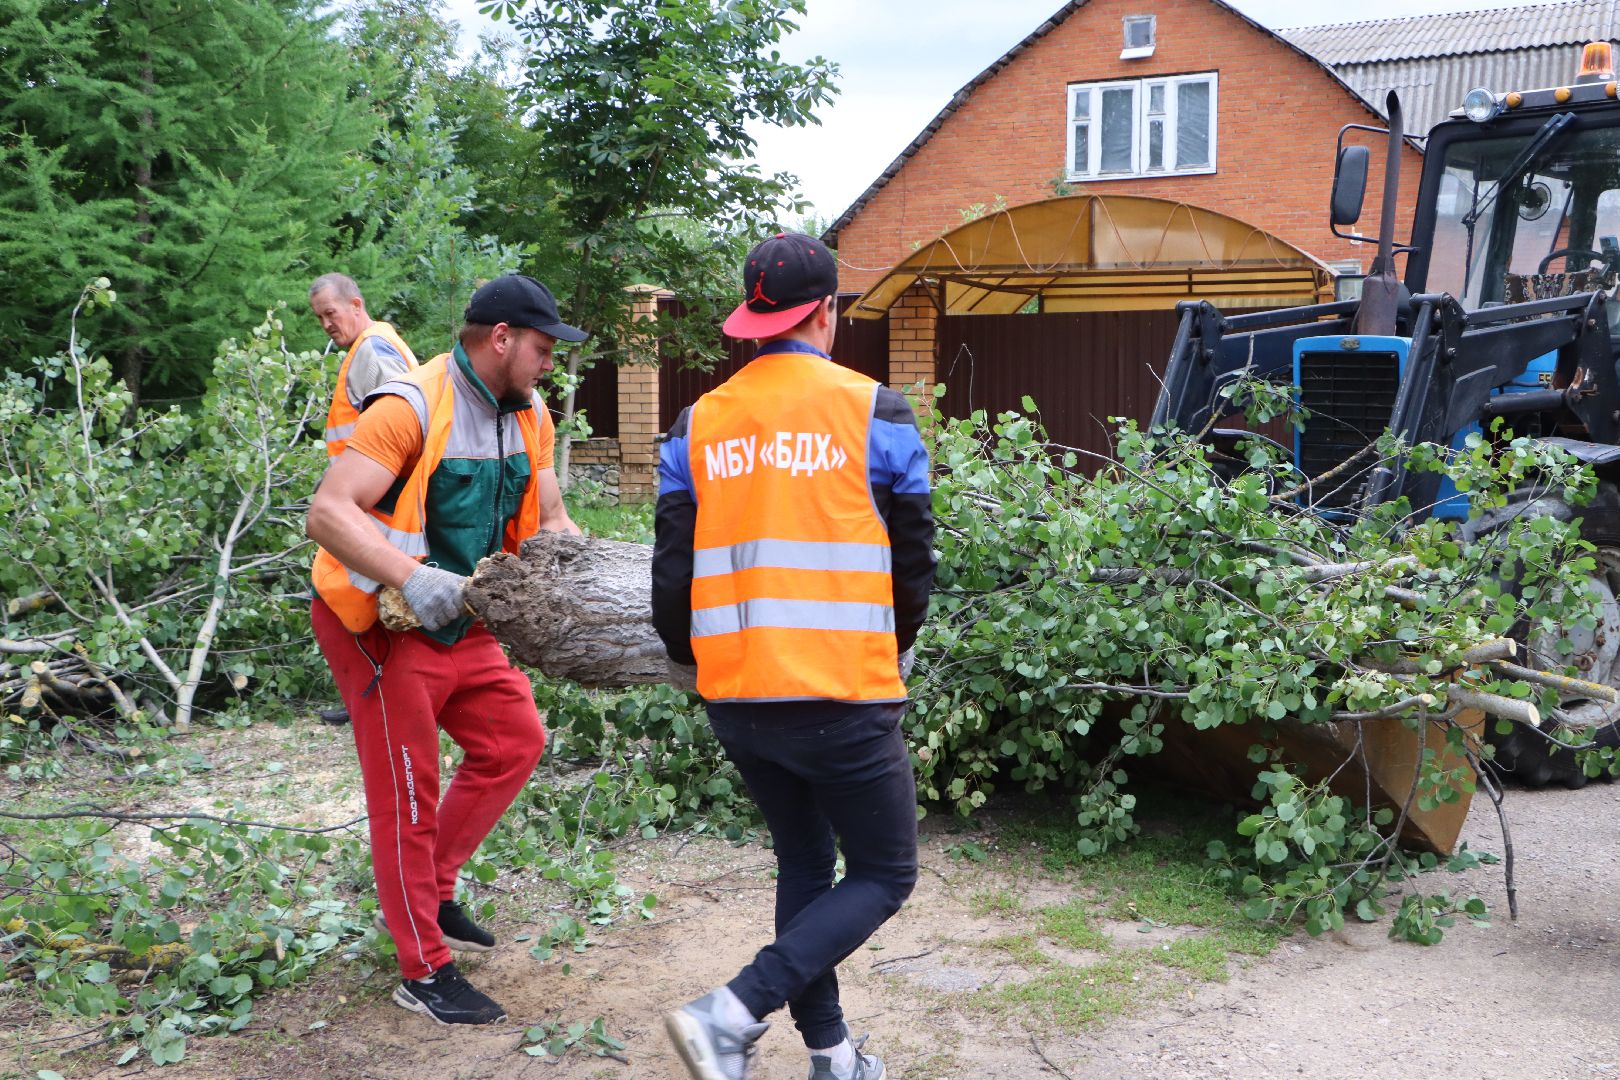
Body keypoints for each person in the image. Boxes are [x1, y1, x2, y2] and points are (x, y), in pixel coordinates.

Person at [653, 233, 936, 1080]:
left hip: (738, 697)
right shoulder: (877, 413)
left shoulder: (696, 424)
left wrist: (694, 659)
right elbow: (914, 565)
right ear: (826, 313)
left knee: (808, 863)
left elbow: (672, 576)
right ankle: (732, 1011)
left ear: (756, 316)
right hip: (842, 693)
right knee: (885, 871)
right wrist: (892, 646)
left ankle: (834, 1058)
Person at [306, 274, 586, 1025]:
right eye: (542, 348)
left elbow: (552, 518)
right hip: (380, 622)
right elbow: (327, 512)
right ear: (501, 338)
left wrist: (587, 572)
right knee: (408, 795)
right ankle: (423, 970)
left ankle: (428, 889)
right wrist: (412, 577)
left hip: (464, 620)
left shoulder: (530, 413)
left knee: (514, 741)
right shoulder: (410, 405)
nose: (549, 364)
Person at [308, 273, 420, 725]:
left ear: (356, 305)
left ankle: (373, 697)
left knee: (335, 593)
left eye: (331, 314)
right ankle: (372, 694)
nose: (326, 325)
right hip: (363, 503)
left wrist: (370, 496)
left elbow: (401, 429)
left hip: (374, 506)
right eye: (319, 318)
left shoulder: (373, 352)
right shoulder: (374, 346)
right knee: (360, 598)